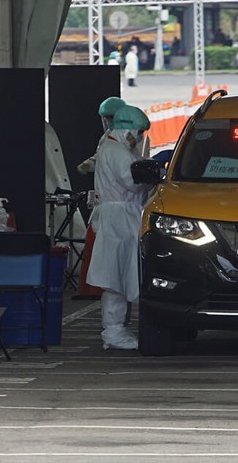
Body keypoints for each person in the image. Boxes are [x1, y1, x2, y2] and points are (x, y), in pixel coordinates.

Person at [87, 105, 152, 350]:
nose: (140, 138)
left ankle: (117, 328)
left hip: (122, 216)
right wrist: (148, 175)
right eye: (139, 133)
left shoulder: (116, 147)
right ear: (129, 131)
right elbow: (131, 182)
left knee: (121, 274)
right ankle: (113, 331)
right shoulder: (117, 151)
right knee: (116, 277)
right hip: (120, 217)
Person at [76, 96, 126, 175]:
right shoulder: (107, 136)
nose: (107, 121)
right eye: (106, 118)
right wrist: (89, 164)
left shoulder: (131, 136)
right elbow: (101, 157)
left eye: (111, 117)